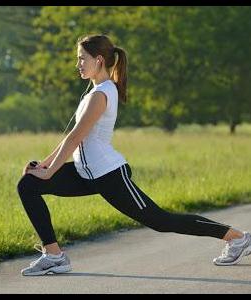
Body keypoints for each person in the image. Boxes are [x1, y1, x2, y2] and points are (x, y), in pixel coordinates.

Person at [16, 34, 250, 276]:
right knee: (28, 184)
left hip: (109, 175)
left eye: (81, 59)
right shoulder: (94, 92)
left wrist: (50, 170)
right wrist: (42, 167)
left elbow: (76, 136)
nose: (78, 65)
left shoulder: (102, 94)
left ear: (98, 60)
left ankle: (237, 237)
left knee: (161, 221)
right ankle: (54, 255)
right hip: (85, 172)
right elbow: (71, 138)